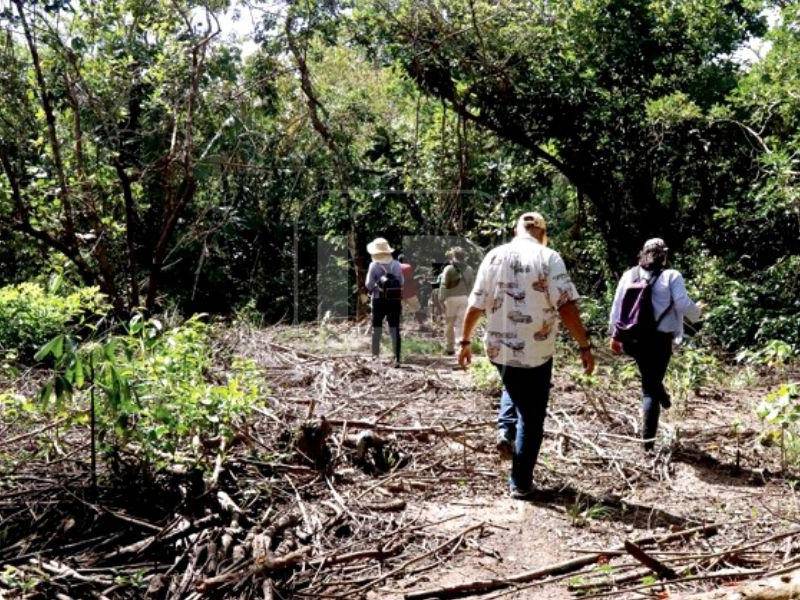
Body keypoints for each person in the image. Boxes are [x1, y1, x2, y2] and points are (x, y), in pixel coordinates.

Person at [459, 212, 595, 499]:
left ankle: (505, 431)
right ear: (542, 232)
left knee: (513, 386)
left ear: (515, 230)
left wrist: (465, 340)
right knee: (532, 419)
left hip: (499, 350)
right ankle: (520, 484)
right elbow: (567, 306)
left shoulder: (494, 256)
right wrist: (584, 345)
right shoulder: (548, 257)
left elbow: (475, 305)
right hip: (535, 352)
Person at [609, 238, 702, 451]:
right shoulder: (671, 276)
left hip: (633, 339)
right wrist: (697, 312)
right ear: (665, 255)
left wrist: (614, 335)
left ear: (643, 253)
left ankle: (663, 396)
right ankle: (647, 444)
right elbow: (681, 303)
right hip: (660, 341)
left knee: (649, 376)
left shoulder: (629, 275)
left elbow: (617, 306)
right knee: (650, 389)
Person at [365, 238, 404, 367]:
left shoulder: (374, 265)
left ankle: (375, 357)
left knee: (377, 329)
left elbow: (369, 284)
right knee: (395, 329)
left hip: (378, 300)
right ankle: (397, 359)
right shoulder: (397, 264)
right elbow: (401, 282)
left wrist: (378, 285)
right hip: (394, 300)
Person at [439, 247, 475, 355]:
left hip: (451, 300)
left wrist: (441, 298)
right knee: (461, 323)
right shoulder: (469, 269)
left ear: (454, 256)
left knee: (450, 323)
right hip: (464, 298)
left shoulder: (448, 269)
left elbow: (444, 285)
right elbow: (471, 286)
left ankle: (450, 348)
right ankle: (461, 347)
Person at [398, 254, 423, 325]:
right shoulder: (408, 267)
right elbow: (410, 280)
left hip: (398, 292)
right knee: (417, 308)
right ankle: (421, 325)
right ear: (406, 260)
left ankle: (398, 326)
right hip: (409, 291)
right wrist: (418, 279)